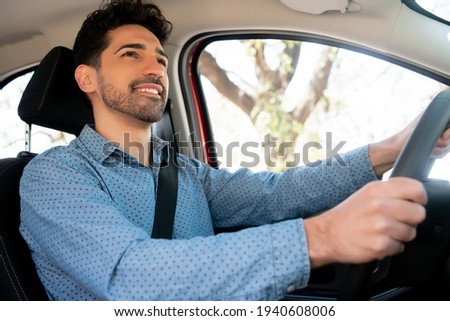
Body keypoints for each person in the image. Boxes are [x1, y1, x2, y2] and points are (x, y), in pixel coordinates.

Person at [19, 0, 450, 300]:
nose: (155, 67)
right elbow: (128, 275)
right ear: (86, 79)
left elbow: (276, 194)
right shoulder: (54, 177)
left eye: (160, 59)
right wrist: (322, 237)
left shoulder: (182, 172)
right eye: (131, 54)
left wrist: (390, 149)